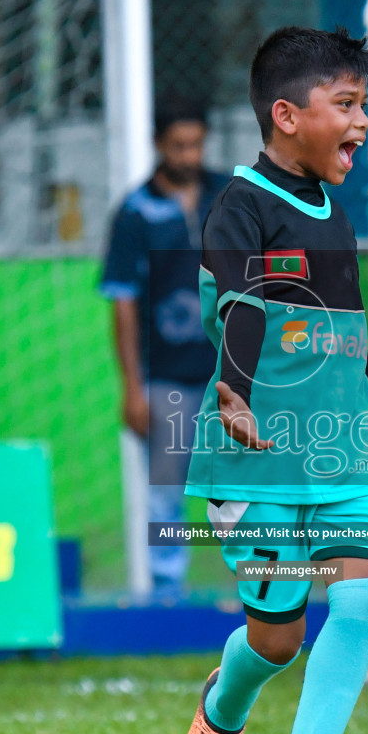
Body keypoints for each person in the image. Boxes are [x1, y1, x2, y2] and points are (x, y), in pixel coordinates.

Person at [174, 26, 368, 734]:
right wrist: (237, 390)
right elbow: (243, 306)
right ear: (287, 115)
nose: (361, 124)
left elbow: (345, 335)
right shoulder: (239, 206)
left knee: (365, 602)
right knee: (276, 641)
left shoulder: (337, 213)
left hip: (340, 455)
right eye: (347, 106)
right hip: (252, 457)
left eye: (364, 106)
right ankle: (224, 708)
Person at [99, 102, 230, 602]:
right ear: (159, 145)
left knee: (239, 490)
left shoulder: (229, 195)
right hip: (167, 377)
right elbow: (122, 303)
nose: (189, 154)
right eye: (179, 146)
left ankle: (253, 591)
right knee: (166, 492)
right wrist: (132, 388)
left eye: (196, 144)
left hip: (228, 373)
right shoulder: (135, 212)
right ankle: (166, 594)